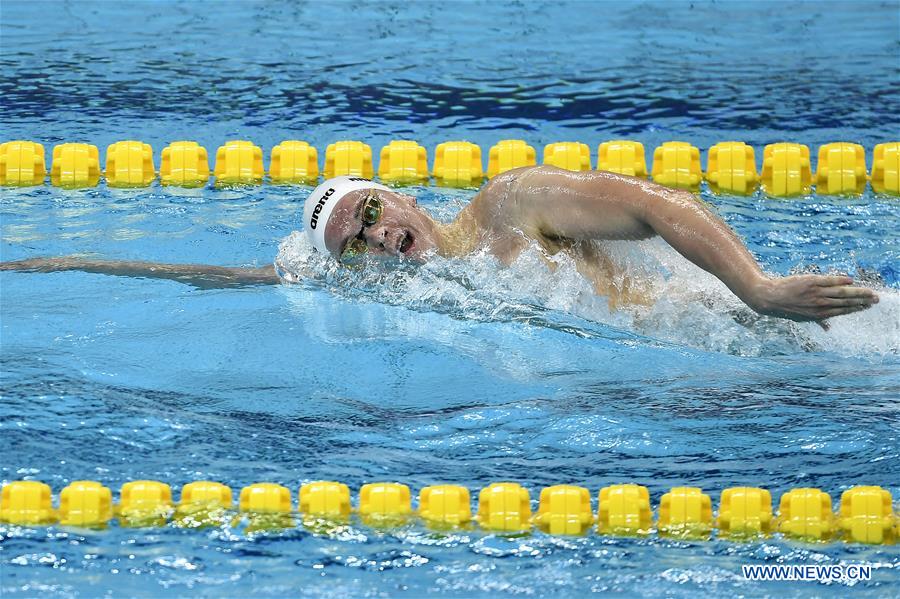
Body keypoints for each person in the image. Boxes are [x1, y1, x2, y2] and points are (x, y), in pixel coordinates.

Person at [0, 166, 879, 328]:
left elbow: (654, 206)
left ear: (403, 193)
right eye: (359, 241)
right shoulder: (409, 293)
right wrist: (59, 263)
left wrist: (759, 287)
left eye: (374, 210)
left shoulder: (508, 206)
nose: (382, 235)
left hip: (746, 323)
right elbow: (223, 277)